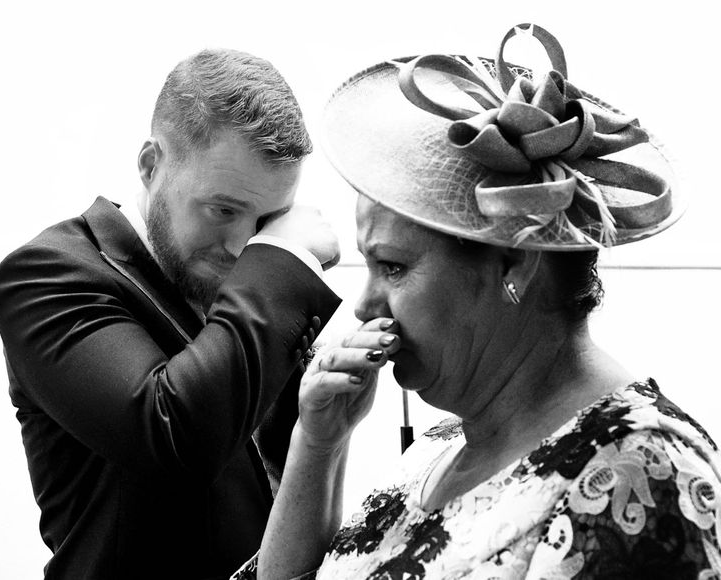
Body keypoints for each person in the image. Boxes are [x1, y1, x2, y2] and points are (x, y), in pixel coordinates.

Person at [240, 24, 721, 579]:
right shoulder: (437, 449)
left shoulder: (642, 473)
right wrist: (318, 446)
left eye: (393, 267)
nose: (364, 304)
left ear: (514, 262)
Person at [0, 48, 342, 579]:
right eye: (223, 209)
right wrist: (284, 261)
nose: (243, 243)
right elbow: (173, 434)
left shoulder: (253, 285)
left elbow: (279, 480)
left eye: (269, 219)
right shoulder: (46, 276)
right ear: (152, 166)